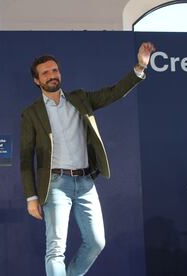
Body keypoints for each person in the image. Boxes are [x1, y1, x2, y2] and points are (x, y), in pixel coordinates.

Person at [20, 42, 155, 276]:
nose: (52, 75)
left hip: (85, 183)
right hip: (55, 185)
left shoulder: (80, 99)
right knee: (55, 248)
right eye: (45, 73)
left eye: (54, 70)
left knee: (96, 243)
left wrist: (140, 67)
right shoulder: (31, 113)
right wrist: (31, 197)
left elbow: (114, 93)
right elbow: (25, 158)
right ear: (36, 81)